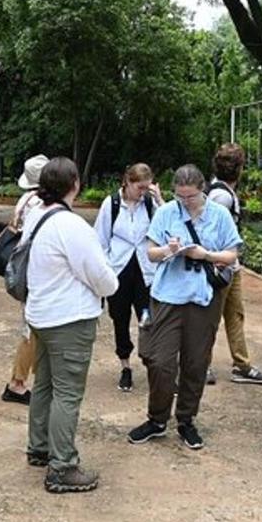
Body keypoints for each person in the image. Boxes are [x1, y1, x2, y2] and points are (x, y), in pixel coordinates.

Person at [127, 165, 242, 451]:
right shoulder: (167, 213)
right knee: (160, 362)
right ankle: (157, 418)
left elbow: (232, 254)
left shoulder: (220, 214)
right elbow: (151, 252)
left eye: (190, 196)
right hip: (168, 295)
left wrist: (205, 254)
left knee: (196, 363)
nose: (185, 202)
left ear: (202, 189)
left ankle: (186, 419)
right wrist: (169, 249)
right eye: (180, 196)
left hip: (203, 298)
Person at [23, 157, 118, 493]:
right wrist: (112, 284)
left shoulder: (37, 215)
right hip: (69, 320)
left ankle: (39, 447)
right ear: (75, 183)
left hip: (41, 315)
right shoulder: (72, 226)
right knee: (68, 393)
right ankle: (62, 467)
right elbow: (100, 277)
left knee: (45, 384)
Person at [206, 143, 262, 386]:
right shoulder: (221, 195)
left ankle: (241, 364)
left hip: (230, 265)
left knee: (235, 314)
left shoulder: (221, 191)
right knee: (211, 317)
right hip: (222, 266)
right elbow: (213, 231)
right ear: (240, 169)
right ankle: (202, 363)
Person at [93, 163, 163, 391]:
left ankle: (153, 363)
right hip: (119, 270)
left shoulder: (151, 205)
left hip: (145, 271)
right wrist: (104, 270)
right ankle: (125, 365)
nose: (142, 192)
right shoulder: (111, 204)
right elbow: (100, 239)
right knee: (120, 319)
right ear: (127, 182)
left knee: (148, 318)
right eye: (139, 187)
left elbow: (167, 229)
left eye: (146, 188)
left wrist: (159, 201)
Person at [2, 153, 48, 405]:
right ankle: (17, 383)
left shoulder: (25, 199)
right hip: (34, 273)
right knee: (32, 327)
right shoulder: (38, 203)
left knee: (32, 326)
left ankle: (21, 380)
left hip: (23, 271)